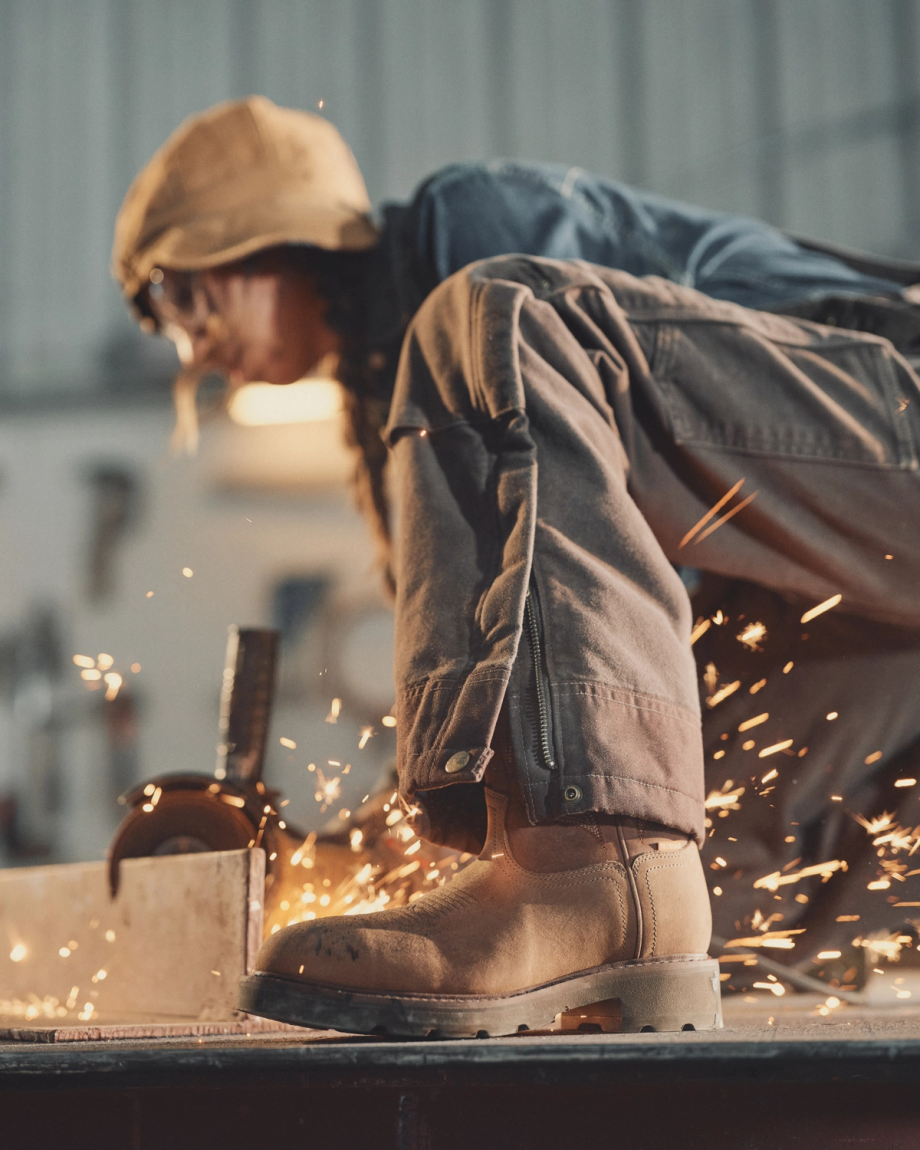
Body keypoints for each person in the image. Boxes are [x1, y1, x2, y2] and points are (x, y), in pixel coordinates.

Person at [113, 97, 920, 1035]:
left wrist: (560, 814)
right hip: (862, 591)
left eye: (179, 295)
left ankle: (588, 866)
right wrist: (337, 857)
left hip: (887, 425)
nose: (193, 348)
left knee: (492, 321)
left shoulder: (459, 234)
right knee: (677, 906)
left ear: (269, 235)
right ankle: (597, 887)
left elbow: (593, 645)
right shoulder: (394, 428)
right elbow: (530, 693)